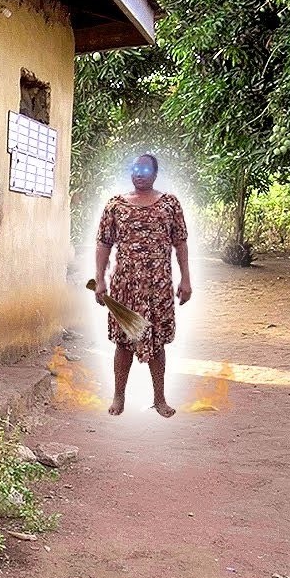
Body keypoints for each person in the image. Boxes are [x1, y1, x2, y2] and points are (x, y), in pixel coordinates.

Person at [93, 154, 193, 418]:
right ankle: (118, 395)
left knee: (157, 342)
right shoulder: (115, 205)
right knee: (123, 343)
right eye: (135, 169)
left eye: (145, 169)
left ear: (155, 173)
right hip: (125, 285)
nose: (140, 173)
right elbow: (103, 243)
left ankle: (160, 399)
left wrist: (186, 278)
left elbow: (180, 242)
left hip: (157, 286)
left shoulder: (170, 204)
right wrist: (100, 278)